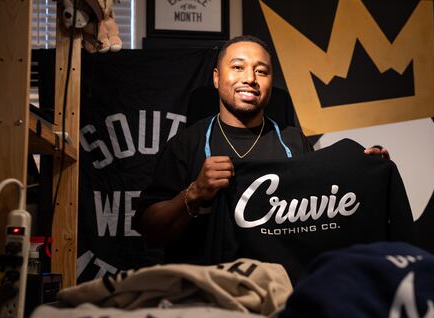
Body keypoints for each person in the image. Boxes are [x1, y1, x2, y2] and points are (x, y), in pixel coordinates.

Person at [134, 35, 389, 264]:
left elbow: (325, 212)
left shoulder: (293, 143)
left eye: (261, 71)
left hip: (276, 292)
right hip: (205, 293)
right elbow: (150, 231)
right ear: (216, 77)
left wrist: (364, 172)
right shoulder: (185, 144)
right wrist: (195, 192)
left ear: (270, 82)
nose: (249, 78)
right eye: (237, 67)